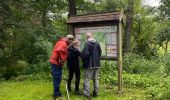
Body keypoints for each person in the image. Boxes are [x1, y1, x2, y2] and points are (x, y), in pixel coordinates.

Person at [49, 34, 74, 100]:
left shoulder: (63, 42)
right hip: (55, 63)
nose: (71, 43)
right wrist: (62, 59)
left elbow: (64, 49)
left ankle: (57, 93)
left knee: (58, 78)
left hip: (57, 63)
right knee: (57, 78)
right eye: (71, 41)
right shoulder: (63, 43)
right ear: (69, 39)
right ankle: (56, 95)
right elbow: (59, 50)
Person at [82, 32, 102, 100]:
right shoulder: (97, 43)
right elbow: (100, 52)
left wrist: (83, 60)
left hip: (89, 64)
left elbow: (85, 54)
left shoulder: (87, 43)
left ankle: (87, 94)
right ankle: (96, 93)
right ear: (92, 36)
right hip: (97, 64)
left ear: (87, 37)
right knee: (96, 79)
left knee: (87, 79)